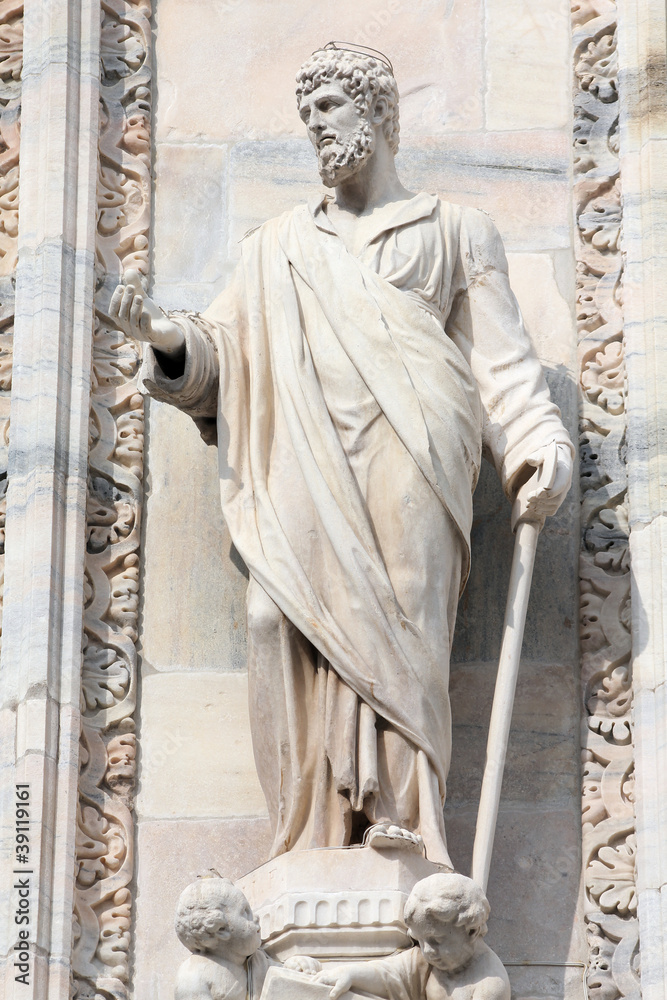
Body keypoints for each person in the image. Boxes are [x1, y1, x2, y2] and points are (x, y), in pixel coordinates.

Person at [109, 44, 573, 867]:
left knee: (403, 627)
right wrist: (164, 337)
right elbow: (222, 350)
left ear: (379, 112)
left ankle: (406, 827)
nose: (316, 124)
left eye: (330, 105)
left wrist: (536, 444)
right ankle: (304, 835)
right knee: (270, 618)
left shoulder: (456, 231)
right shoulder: (275, 247)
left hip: (413, 461)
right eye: (308, 111)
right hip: (300, 463)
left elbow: (499, 365)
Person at [313, 872, 510, 1000]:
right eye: (419, 940)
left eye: (436, 940)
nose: (427, 950)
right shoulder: (429, 961)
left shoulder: (489, 988)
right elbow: (388, 974)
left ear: (472, 931)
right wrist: (350, 974)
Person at [173, 875, 317, 1000]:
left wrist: (295, 965)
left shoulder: (257, 961)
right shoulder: (193, 976)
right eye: (245, 912)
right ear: (221, 930)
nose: (256, 917)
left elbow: (284, 977)